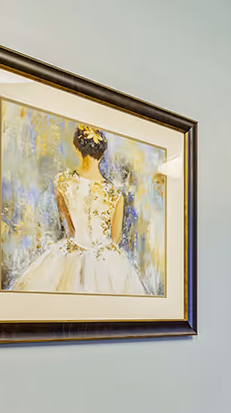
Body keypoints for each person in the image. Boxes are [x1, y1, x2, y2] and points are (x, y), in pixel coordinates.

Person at [10, 125, 150, 296]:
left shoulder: (61, 182)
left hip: (69, 257)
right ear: (102, 153)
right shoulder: (115, 195)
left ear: (77, 149)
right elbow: (115, 239)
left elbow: (69, 229)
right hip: (108, 262)